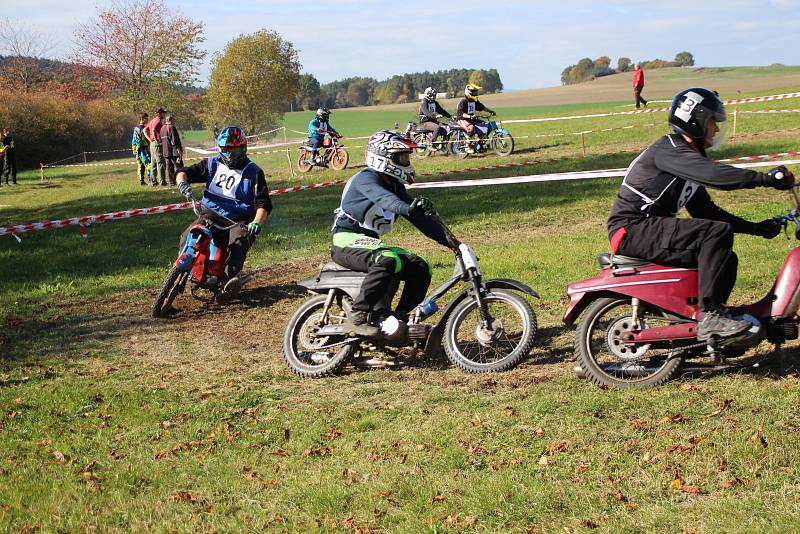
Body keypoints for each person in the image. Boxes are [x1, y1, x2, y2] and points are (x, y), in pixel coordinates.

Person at [607, 87, 795, 341]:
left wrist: (756, 228)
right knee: (716, 233)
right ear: (695, 120)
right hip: (632, 228)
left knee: (725, 257)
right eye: (712, 123)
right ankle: (710, 318)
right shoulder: (670, 150)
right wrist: (765, 178)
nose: (716, 130)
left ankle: (709, 317)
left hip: (646, 228)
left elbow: (708, 211)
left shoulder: (684, 159)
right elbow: (715, 176)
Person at [330, 129, 450, 337]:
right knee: (388, 258)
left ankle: (398, 319)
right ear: (383, 157)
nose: (406, 161)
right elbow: (387, 201)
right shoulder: (365, 179)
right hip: (345, 240)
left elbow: (420, 220)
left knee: (421, 266)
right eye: (401, 157)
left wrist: (452, 243)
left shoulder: (393, 184)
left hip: (367, 241)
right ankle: (357, 317)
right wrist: (407, 208)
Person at [176, 126, 272, 302]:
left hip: (238, 220)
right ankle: (184, 271)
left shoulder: (254, 172)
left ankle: (227, 283)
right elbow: (184, 172)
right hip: (211, 213)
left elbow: (263, 202)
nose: (228, 153)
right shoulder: (211, 164)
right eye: (224, 149)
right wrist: (182, 183)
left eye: (232, 149)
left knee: (239, 241)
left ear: (243, 148)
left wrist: (257, 222)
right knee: (189, 234)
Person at [455, 83, 495, 152]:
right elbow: (461, 113)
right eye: (474, 92)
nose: (476, 93)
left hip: (471, 119)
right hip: (461, 119)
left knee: (484, 126)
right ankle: (467, 146)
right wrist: (469, 116)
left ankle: (479, 144)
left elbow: (482, 107)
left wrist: (491, 111)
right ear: (468, 92)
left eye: (476, 92)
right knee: (471, 128)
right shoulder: (463, 101)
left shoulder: (474, 101)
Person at [143, 106, 167, 186]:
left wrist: (150, 139)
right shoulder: (158, 121)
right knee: (160, 162)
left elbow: (144, 130)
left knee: (153, 163)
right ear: (159, 113)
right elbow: (154, 130)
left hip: (152, 144)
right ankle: (162, 181)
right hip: (157, 144)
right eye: (163, 113)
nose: (164, 114)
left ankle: (153, 181)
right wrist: (157, 139)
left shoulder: (152, 121)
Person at [160, 115, 183, 186]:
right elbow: (175, 141)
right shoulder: (172, 128)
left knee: (169, 168)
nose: (175, 121)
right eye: (174, 120)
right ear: (171, 120)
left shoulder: (162, 128)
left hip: (166, 152)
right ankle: (182, 181)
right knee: (180, 167)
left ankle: (172, 182)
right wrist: (179, 152)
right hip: (174, 151)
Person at [131, 113, 151, 186]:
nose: (148, 119)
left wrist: (134, 149)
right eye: (146, 118)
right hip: (143, 149)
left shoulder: (135, 129)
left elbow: (133, 140)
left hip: (137, 150)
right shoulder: (143, 129)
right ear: (142, 119)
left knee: (140, 165)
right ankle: (150, 180)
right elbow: (142, 140)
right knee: (149, 164)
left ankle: (141, 180)